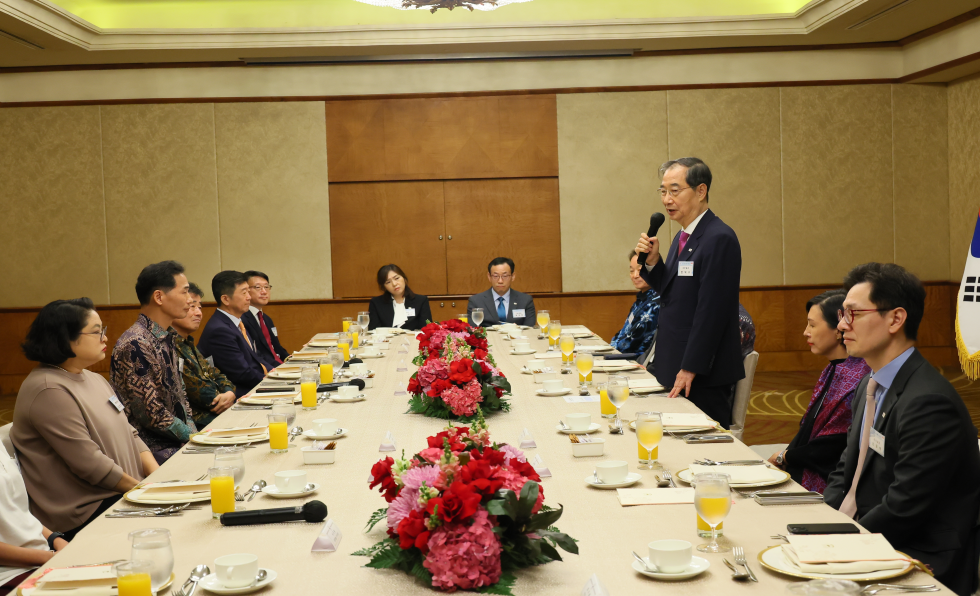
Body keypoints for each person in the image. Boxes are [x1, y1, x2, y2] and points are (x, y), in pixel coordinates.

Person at [824, 263, 980, 596]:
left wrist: (838, 547)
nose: (841, 325)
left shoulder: (928, 403)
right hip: (868, 535)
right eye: (842, 313)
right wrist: (822, 524)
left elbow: (904, 507)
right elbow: (846, 469)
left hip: (917, 554)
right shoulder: (870, 382)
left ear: (896, 319)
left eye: (853, 313)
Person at [13, 298, 159, 539]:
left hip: (124, 491)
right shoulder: (48, 389)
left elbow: (130, 433)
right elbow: (89, 464)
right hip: (87, 510)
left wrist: (157, 479)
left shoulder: (94, 379)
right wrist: (143, 490)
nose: (104, 338)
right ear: (64, 337)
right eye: (96, 332)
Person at [635, 157, 744, 428]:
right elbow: (675, 293)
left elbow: (712, 312)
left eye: (675, 190)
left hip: (702, 372)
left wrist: (690, 367)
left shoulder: (718, 238)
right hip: (676, 361)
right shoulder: (684, 237)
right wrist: (653, 262)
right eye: (663, 191)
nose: (667, 199)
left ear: (701, 190)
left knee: (702, 449)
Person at [768, 290, 870, 493]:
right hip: (809, 462)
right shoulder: (835, 368)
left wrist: (784, 456)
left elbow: (832, 447)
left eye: (812, 325)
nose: (806, 332)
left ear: (838, 329)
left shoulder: (857, 377)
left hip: (832, 483)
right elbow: (808, 429)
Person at [111, 261, 196, 465]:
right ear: (159, 297)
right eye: (184, 292)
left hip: (177, 442)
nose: (190, 299)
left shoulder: (166, 336)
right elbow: (151, 415)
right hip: (152, 452)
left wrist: (193, 431)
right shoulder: (135, 344)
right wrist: (193, 437)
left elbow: (180, 393)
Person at [1, 442, 69, 595]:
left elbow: (17, 510)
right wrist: (49, 556)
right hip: (9, 575)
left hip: (41, 559)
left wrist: (56, 540)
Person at [172, 283, 237, 427]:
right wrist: (226, 396)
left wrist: (229, 392)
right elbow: (204, 395)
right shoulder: (170, 347)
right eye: (192, 306)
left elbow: (218, 374)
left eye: (199, 307)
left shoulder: (188, 343)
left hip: (217, 416)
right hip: (199, 425)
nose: (198, 313)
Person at [198, 271, 268, 398]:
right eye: (244, 292)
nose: (249, 297)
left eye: (248, 291)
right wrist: (272, 381)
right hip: (240, 394)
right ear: (225, 299)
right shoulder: (219, 330)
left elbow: (257, 359)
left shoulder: (237, 322)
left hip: (254, 386)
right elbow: (242, 374)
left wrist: (275, 373)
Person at [611, 250, 660, 355]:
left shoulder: (654, 303)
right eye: (632, 271)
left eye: (640, 270)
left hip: (637, 361)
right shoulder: (642, 298)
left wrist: (608, 351)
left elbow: (629, 343)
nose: (635, 275)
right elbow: (623, 333)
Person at [467, 257, 536, 327]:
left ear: (513, 276)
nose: (500, 281)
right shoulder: (476, 301)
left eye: (505, 276)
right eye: (496, 276)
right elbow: (474, 330)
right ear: (489, 277)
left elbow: (529, 328)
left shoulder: (525, 300)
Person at [241, 271, 289, 368]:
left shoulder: (266, 318)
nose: (264, 291)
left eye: (266, 287)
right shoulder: (242, 319)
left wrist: (291, 359)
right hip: (267, 369)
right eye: (258, 287)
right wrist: (281, 368)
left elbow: (277, 348)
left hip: (279, 365)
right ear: (245, 291)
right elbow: (257, 354)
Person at [368, 264, 433, 331]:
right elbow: (373, 331)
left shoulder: (421, 301)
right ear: (384, 287)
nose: (394, 284)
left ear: (404, 278)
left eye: (397, 278)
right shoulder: (376, 303)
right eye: (388, 282)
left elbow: (427, 330)